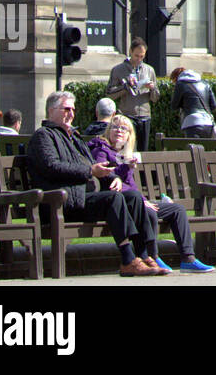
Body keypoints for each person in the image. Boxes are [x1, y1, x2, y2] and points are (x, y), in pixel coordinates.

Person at [26, 91, 164, 276]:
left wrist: (112, 177)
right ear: (51, 110)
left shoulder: (72, 136)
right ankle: (128, 259)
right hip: (60, 202)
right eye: (66, 109)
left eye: (73, 109)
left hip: (81, 197)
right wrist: (90, 172)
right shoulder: (43, 136)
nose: (71, 113)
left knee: (133, 197)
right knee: (113, 199)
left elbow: (91, 164)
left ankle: (144, 255)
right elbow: (52, 167)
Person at [88, 114, 214, 272]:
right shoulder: (101, 149)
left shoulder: (125, 153)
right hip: (117, 204)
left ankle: (188, 259)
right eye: (115, 127)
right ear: (108, 131)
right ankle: (153, 257)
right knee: (149, 212)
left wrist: (142, 198)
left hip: (136, 200)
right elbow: (107, 178)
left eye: (123, 128)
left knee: (178, 210)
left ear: (129, 135)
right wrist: (128, 171)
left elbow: (131, 185)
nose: (119, 131)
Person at [107, 39, 161, 151]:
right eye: (137, 56)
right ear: (130, 52)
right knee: (128, 149)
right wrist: (126, 87)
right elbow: (110, 94)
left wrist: (152, 88)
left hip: (144, 116)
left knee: (143, 151)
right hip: (127, 115)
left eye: (142, 56)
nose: (139, 59)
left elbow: (155, 99)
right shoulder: (118, 70)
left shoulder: (149, 70)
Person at [170, 68, 216, 139]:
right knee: (206, 149)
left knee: (193, 148)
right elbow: (214, 105)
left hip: (191, 123)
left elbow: (174, 106)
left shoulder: (180, 84)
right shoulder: (205, 83)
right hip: (208, 123)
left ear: (176, 78)